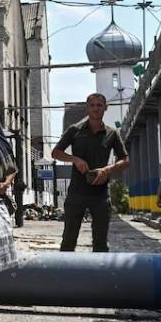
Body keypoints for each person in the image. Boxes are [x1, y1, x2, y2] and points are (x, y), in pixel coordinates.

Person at [52, 93, 129, 252]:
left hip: (100, 195)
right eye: (92, 105)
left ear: (105, 108)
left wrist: (108, 169)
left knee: (100, 243)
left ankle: (100, 276)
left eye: (99, 105)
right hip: (76, 193)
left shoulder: (112, 133)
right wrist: (75, 159)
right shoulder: (74, 130)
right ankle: (65, 275)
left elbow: (125, 160)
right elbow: (56, 153)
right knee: (68, 241)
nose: (96, 108)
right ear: (87, 108)